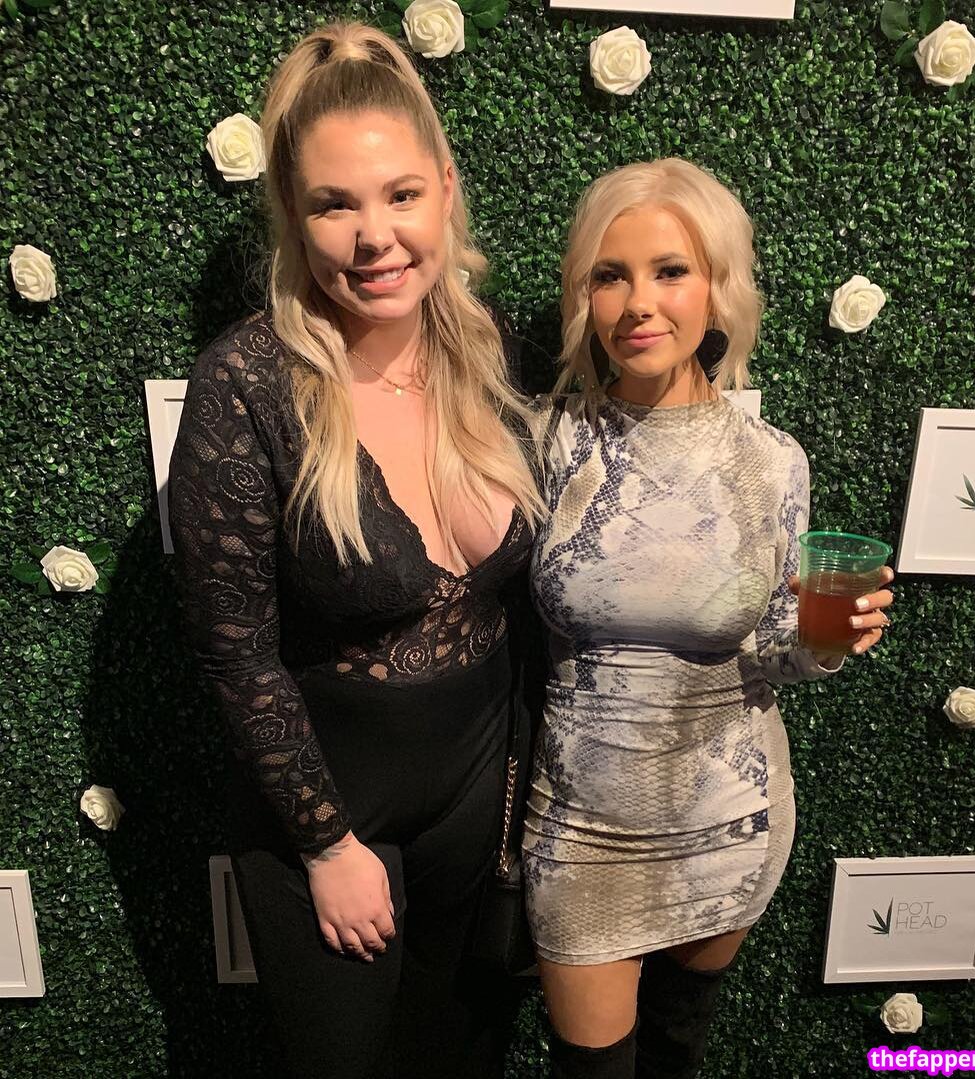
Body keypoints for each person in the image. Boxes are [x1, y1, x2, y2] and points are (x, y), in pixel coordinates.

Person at [166, 20, 546, 1079]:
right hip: (328, 821)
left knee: (463, 1060)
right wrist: (327, 843)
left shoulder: (487, 349)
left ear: (445, 190)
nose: (376, 235)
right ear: (294, 216)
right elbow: (235, 653)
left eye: (401, 194)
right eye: (336, 203)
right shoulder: (245, 385)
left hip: (480, 799)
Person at [523, 158, 896, 1079]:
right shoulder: (547, 439)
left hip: (728, 813)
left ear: (717, 288)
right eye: (611, 276)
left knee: (677, 1052)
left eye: (670, 272)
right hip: (580, 826)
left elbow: (770, 648)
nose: (638, 304)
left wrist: (825, 642)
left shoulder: (774, 461)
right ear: (584, 296)